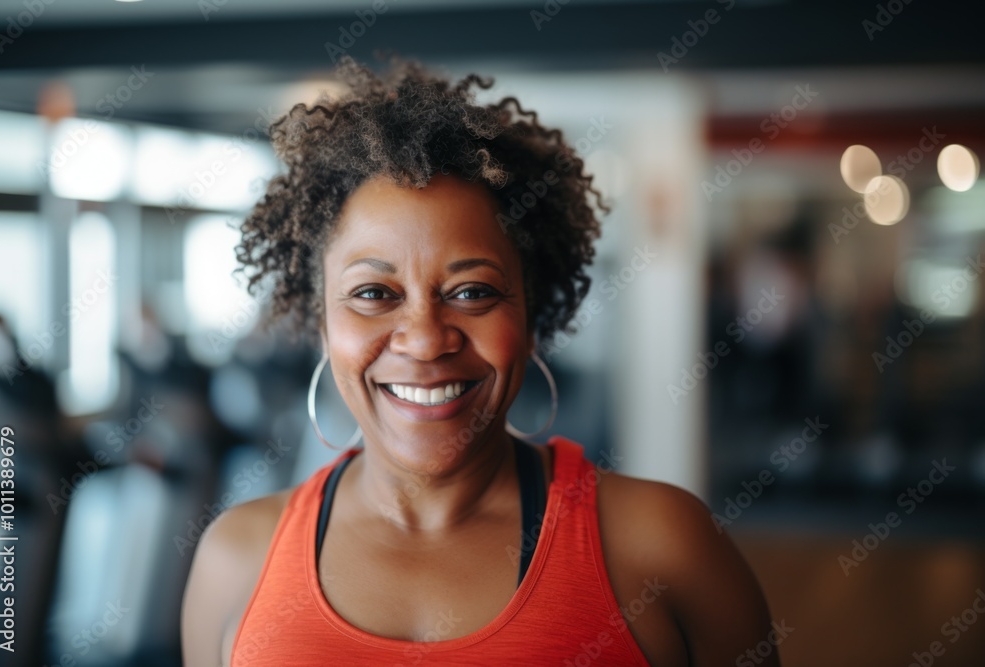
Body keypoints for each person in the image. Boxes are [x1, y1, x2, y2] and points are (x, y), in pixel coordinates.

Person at [181, 56, 779, 667]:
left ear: (531, 312)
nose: (424, 339)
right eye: (373, 294)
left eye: (472, 292)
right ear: (319, 319)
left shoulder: (662, 546)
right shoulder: (236, 560)